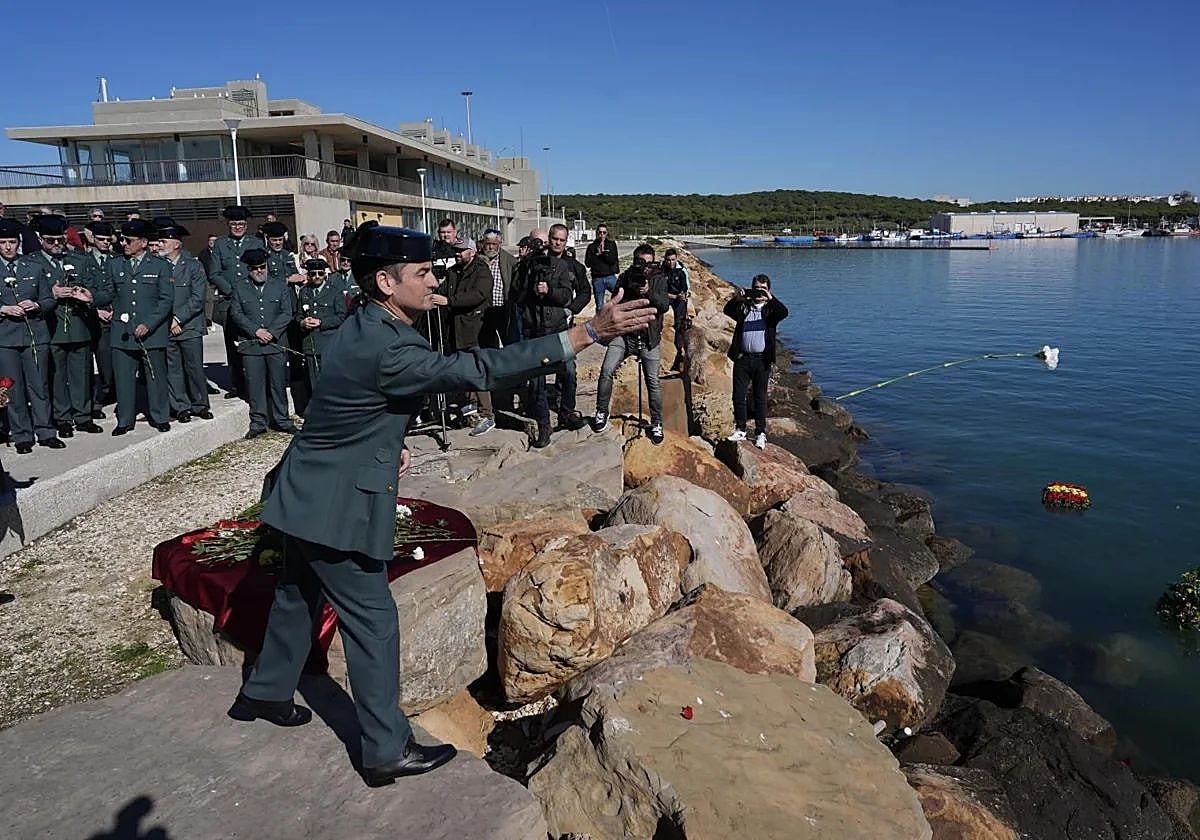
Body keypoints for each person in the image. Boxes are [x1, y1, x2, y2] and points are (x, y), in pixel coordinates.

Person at [227, 221, 655, 787]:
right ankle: (384, 749)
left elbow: (353, 405)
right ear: (385, 281)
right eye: (424, 274)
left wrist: (389, 439)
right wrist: (584, 335)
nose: (436, 282)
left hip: (304, 489)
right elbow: (475, 369)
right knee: (374, 623)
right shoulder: (387, 344)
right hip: (333, 504)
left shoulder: (367, 323)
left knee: (295, 593)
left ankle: (263, 693)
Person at [592, 243, 670, 445]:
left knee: (653, 381)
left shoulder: (658, 278)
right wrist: (628, 288)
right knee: (607, 369)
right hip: (625, 335)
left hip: (648, 338)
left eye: (649, 263)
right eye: (641, 262)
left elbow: (664, 305)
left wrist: (647, 291)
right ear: (635, 261)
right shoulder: (626, 277)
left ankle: (657, 422)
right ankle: (601, 411)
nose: (645, 267)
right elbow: (615, 300)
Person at [103, 219, 174, 435]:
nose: (123, 243)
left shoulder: (160, 266)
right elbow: (108, 292)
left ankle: (160, 416)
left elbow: (165, 300)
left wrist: (149, 324)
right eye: (122, 239)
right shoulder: (115, 264)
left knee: (156, 377)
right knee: (124, 379)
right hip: (122, 332)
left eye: (129, 240)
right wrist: (89, 298)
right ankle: (125, 419)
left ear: (143, 242)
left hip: (151, 332)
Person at [0, 218, 62, 453]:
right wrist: (3, 309)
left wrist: (35, 305)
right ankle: (21, 435)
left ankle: (45, 431)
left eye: (12, 242)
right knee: (11, 388)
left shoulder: (33, 266)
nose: (8, 247)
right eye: (3, 242)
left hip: (34, 335)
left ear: (19, 244)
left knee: (39, 385)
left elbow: (48, 300)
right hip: (5, 338)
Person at [39, 215, 102, 437]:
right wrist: (51, 293)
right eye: (50, 241)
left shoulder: (80, 260)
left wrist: (89, 296)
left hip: (79, 324)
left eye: (60, 240)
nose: (56, 245)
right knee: (57, 377)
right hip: (52, 328)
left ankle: (83, 416)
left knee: (81, 374)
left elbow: (99, 289)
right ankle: (62, 418)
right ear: (40, 240)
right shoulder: (32, 262)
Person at [230, 248, 297, 438]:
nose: (259, 271)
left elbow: (287, 312)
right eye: (255, 268)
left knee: (278, 384)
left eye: (262, 267)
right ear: (248, 270)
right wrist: (256, 331)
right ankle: (258, 422)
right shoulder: (240, 287)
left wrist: (272, 332)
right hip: (251, 345)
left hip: (275, 344)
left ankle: (282, 420)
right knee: (255, 385)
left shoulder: (279, 286)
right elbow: (236, 313)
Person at [724, 273, 788, 449]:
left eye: (763, 289)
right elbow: (727, 311)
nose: (759, 293)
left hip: (762, 360)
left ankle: (760, 432)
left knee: (760, 398)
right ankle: (741, 429)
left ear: (768, 291)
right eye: (756, 289)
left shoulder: (771, 311)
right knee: (738, 395)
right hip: (743, 358)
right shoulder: (744, 308)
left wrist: (770, 298)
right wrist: (737, 298)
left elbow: (784, 312)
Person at [440, 237, 495, 435]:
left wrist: (448, 301)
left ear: (471, 251)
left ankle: (487, 414)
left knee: (479, 370)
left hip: (475, 328)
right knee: (465, 368)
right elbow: (444, 288)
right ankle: (471, 403)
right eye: (456, 250)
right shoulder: (454, 271)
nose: (457, 254)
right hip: (456, 329)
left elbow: (477, 295)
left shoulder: (481, 271)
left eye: (461, 251)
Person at [210, 205, 265, 400]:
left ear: (246, 225)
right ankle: (237, 384)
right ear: (228, 225)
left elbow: (261, 270)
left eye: (241, 224)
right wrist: (232, 291)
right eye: (234, 224)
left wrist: (246, 292)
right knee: (232, 344)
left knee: (251, 342)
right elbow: (214, 273)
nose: (238, 227)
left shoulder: (256, 242)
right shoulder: (220, 244)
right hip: (230, 300)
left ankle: (256, 383)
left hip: (251, 300)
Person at [160, 224, 212, 423]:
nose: (160, 245)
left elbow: (197, 298)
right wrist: (169, 320)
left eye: (164, 241)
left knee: (194, 368)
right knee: (173, 370)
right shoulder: (159, 266)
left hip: (189, 326)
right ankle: (180, 406)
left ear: (176, 244)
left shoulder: (193, 266)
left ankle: (200, 404)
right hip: (166, 327)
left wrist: (178, 319)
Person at [545, 224, 589, 431]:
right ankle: (540, 410)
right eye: (554, 238)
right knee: (537, 369)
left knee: (569, 369)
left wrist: (572, 309)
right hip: (539, 325)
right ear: (549, 238)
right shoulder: (537, 262)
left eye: (561, 240)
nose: (557, 243)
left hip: (564, 324)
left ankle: (567, 410)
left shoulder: (575, 267)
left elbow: (585, 292)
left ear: (566, 241)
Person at [295, 258, 346, 393]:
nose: (317, 277)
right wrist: (302, 323)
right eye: (313, 274)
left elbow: (342, 317)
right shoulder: (304, 292)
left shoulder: (335, 291)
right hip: (311, 343)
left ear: (325, 275)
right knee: (314, 381)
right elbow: (298, 315)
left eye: (320, 273)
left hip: (329, 343)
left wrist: (321, 323)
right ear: (308, 275)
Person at [84, 221, 118, 413]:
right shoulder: (84, 261)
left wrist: (114, 310)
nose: (105, 243)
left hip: (114, 317)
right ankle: (96, 399)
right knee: (95, 363)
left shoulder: (117, 259)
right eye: (101, 239)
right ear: (93, 239)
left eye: (108, 240)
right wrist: (96, 311)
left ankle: (110, 392)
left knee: (112, 363)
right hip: (93, 317)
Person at [661, 248, 691, 361]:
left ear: (676, 259)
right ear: (665, 260)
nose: (671, 262)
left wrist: (683, 294)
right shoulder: (662, 271)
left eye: (673, 260)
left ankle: (680, 347)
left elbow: (685, 287)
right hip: (666, 296)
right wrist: (672, 296)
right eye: (668, 260)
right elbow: (659, 290)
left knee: (680, 322)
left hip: (678, 298)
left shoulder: (681, 271)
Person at [584, 223, 620, 311]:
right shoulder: (591, 247)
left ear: (607, 233)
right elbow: (587, 263)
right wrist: (596, 255)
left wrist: (603, 254)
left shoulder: (611, 245)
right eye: (600, 232)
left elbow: (613, 260)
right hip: (597, 279)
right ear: (597, 233)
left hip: (610, 277)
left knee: (620, 296)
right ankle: (600, 323)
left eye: (604, 232)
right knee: (600, 305)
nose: (602, 235)